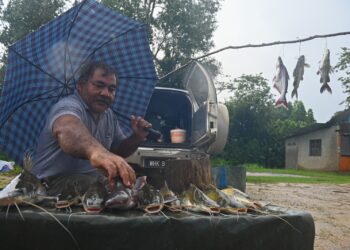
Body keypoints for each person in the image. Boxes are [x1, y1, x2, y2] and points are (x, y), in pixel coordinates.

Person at [32, 61, 151, 196]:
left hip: (91, 181)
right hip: (50, 183)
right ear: (81, 86)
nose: (106, 93)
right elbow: (67, 128)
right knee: (104, 192)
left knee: (132, 191)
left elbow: (118, 150)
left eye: (112, 89)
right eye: (99, 85)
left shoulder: (109, 115)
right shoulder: (68, 105)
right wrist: (97, 152)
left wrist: (137, 137)